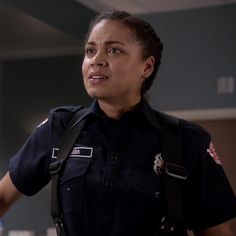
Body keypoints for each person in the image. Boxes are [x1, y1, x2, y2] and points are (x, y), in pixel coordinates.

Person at [0, 8, 235, 236]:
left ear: (147, 66)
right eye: (90, 51)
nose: (97, 60)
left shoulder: (187, 141)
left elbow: (216, 232)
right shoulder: (60, 127)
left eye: (114, 51)